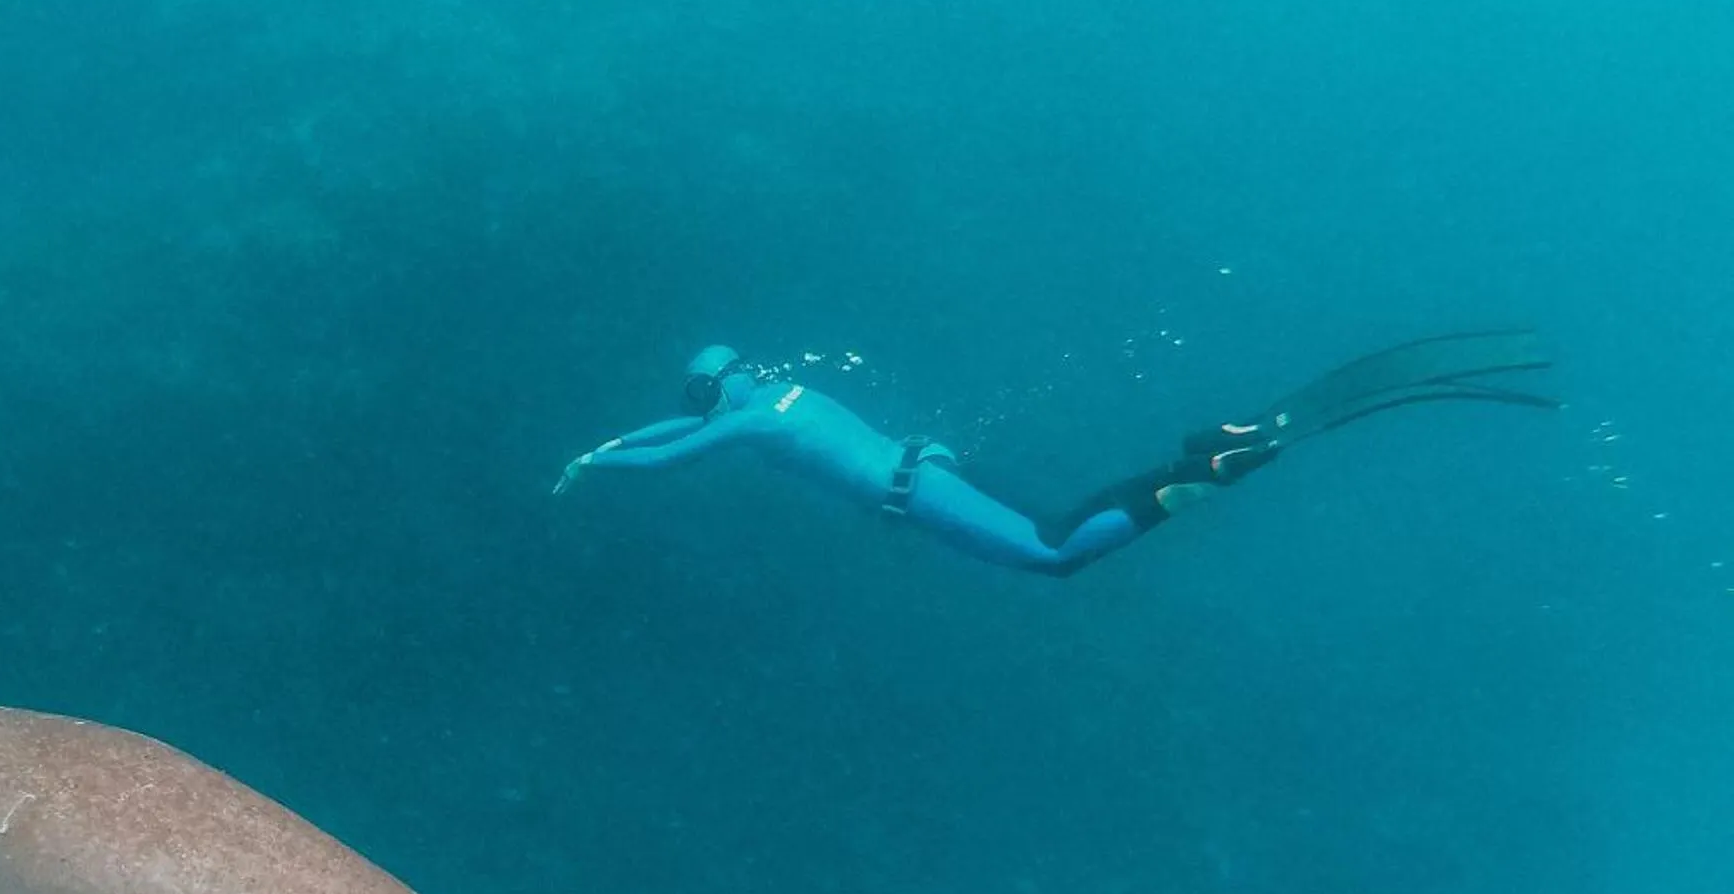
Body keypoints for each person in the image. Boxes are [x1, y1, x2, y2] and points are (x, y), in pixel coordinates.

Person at [551, 332, 1559, 576]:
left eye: (697, 392)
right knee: (1058, 522)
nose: (698, 405)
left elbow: (671, 455)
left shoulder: (753, 420)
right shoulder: (786, 391)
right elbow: (674, 432)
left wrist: (594, 465)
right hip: (926, 469)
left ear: (716, 384)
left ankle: (1212, 465)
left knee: (1053, 554)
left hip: (918, 492)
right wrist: (601, 441)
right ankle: (1207, 459)